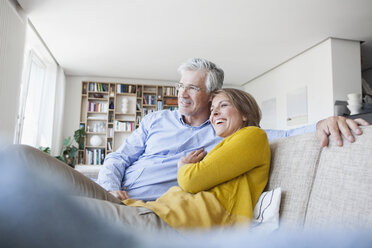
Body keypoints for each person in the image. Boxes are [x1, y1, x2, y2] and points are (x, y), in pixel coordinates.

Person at [97, 58, 369, 202]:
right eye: (181, 85)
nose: (182, 94)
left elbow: (281, 136)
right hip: (109, 192)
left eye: (192, 87)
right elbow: (117, 158)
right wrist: (109, 188)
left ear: (211, 93)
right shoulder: (154, 120)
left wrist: (323, 123)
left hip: (140, 207)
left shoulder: (228, 133)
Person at [123, 88, 270, 229]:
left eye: (223, 105)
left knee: (101, 214)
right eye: (212, 110)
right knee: (100, 197)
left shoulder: (254, 135)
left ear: (245, 113)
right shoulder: (227, 145)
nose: (214, 114)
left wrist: (183, 166)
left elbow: (190, 181)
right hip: (166, 212)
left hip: (186, 220)